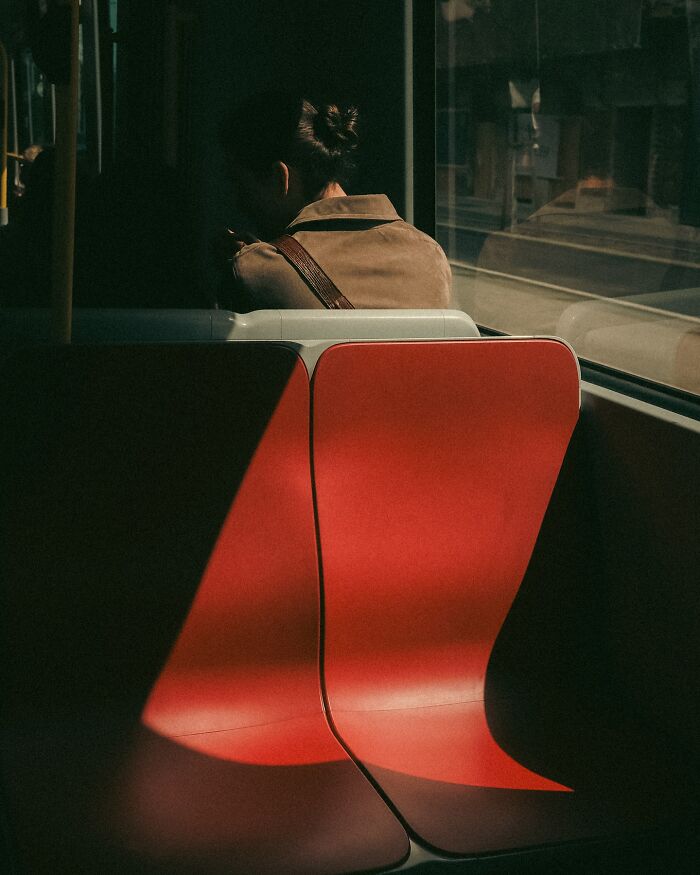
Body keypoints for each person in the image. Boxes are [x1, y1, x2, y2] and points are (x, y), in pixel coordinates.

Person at [218, 90, 453, 310]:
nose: (238, 201)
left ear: (281, 178)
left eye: (241, 186)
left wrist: (249, 260)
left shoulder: (254, 271)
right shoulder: (430, 255)